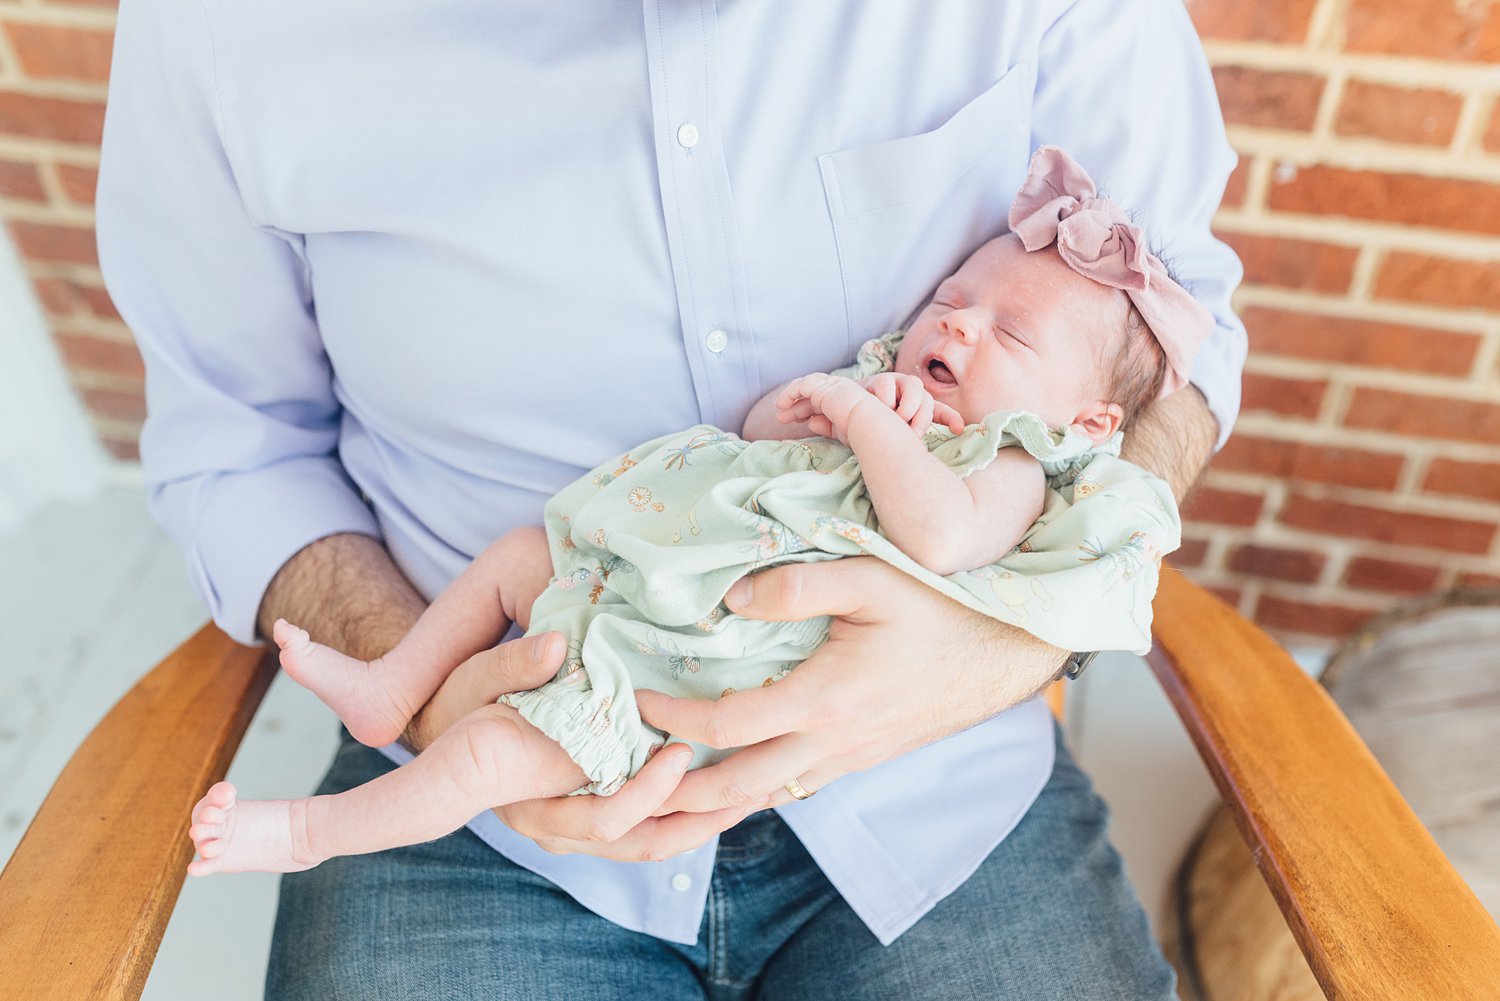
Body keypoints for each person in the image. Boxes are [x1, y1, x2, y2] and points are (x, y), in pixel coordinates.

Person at [96, 1, 1244, 996]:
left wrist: (1002, 646)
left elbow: (1174, 331)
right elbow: (238, 444)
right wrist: (434, 689)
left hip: (931, 781)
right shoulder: (229, 29)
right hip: (494, 763)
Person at [183, 146, 1211, 877]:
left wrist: (868, 421)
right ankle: (390, 682)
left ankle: (314, 832)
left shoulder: (1017, 462)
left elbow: (938, 534)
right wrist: (814, 404)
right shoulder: (885, 383)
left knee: (492, 756)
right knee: (510, 554)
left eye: (1011, 336)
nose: (957, 325)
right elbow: (762, 437)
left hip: (675, 663)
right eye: (952, 296)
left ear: (1084, 419)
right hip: (633, 560)